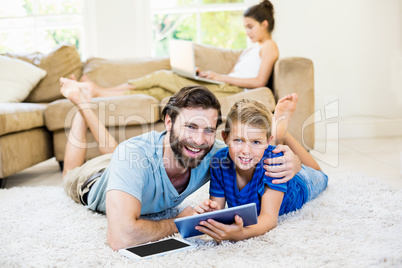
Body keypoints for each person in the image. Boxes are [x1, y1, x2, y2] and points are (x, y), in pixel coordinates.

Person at [59, 79, 301, 250]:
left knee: (117, 152)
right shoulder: (133, 156)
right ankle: (81, 104)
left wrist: (295, 161)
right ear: (168, 122)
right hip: (92, 179)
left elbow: (252, 150)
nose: (198, 140)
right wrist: (180, 221)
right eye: (190, 126)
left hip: (127, 160)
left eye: (208, 130)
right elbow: (121, 238)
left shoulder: (215, 152)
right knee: (80, 168)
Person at [59, 0, 279, 101]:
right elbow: (234, 73)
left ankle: (96, 88)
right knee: (159, 92)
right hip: (222, 84)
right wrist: (207, 75)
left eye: (250, 27)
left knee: (162, 76)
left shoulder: (270, 46)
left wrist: (219, 76)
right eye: (245, 28)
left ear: (264, 24)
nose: (247, 32)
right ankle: (96, 92)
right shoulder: (251, 49)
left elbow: (259, 81)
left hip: (230, 90)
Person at [193, 96, 328, 243]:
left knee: (320, 174)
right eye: (238, 140)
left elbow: (269, 218)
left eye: (256, 142)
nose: (246, 151)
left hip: (301, 183)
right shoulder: (219, 162)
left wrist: (242, 233)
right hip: (268, 154)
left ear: (267, 142)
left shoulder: (274, 163)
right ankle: (278, 131)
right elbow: (218, 210)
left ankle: (281, 132)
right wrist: (210, 213)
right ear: (225, 137)